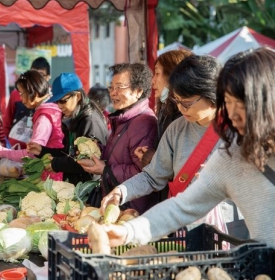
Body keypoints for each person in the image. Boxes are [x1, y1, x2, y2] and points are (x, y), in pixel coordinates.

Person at [101, 48, 275, 248]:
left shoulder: (233, 141)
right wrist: (128, 231)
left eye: (241, 104)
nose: (233, 114)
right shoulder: (230, 155)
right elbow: (183, 206)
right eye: (228, 102)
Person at [100, 55, 231, 237]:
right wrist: (122, 191)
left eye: (187, 103)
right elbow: (153, 176)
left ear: (212, 94)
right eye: (177, 101)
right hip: (181, 227)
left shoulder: (236, 131)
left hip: (226, 231)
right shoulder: (177, 129)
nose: (181, 109)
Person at [78, 63, 159, 214]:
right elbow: (120, 156)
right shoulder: (124, 119)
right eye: (111, 87)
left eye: (119, 87)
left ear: (138, 91)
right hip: (118, 204)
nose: (113, 93)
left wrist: (105, 169)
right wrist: (97, 150)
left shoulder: (144, 123)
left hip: (132, 209)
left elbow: (145, 174)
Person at [27, 73, 108, 185]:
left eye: (63, 101)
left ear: (78, 96)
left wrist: (56, 164)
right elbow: (68, 153)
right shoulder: (73, 117)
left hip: (89, 189)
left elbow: (88, 161)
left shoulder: (90, 121)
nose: (59, 106)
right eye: (57, 102)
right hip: (75, 185)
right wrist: (43, 151)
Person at [135, 49, 192, 200]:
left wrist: (154, 159)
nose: (153, 81)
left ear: (173, 75)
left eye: (158, 73)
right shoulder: (165, 111)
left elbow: (181, 166)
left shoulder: (186, 117)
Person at [0, 70, 64, 180]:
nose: (20, 98)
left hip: (52, 176)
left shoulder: (43, 118)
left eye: (22, 93)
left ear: (34, 93)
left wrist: (2, 151)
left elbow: (31, 154)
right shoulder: (52, 108)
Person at [4, 57, 51, 148]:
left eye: (40, 75)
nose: (35, 79)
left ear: (48, 77)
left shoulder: (51, 99)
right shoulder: (15, 94)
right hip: (14, 147)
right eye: (33, 75)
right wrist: (4, 146)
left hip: (34, 150)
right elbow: (7, 121)